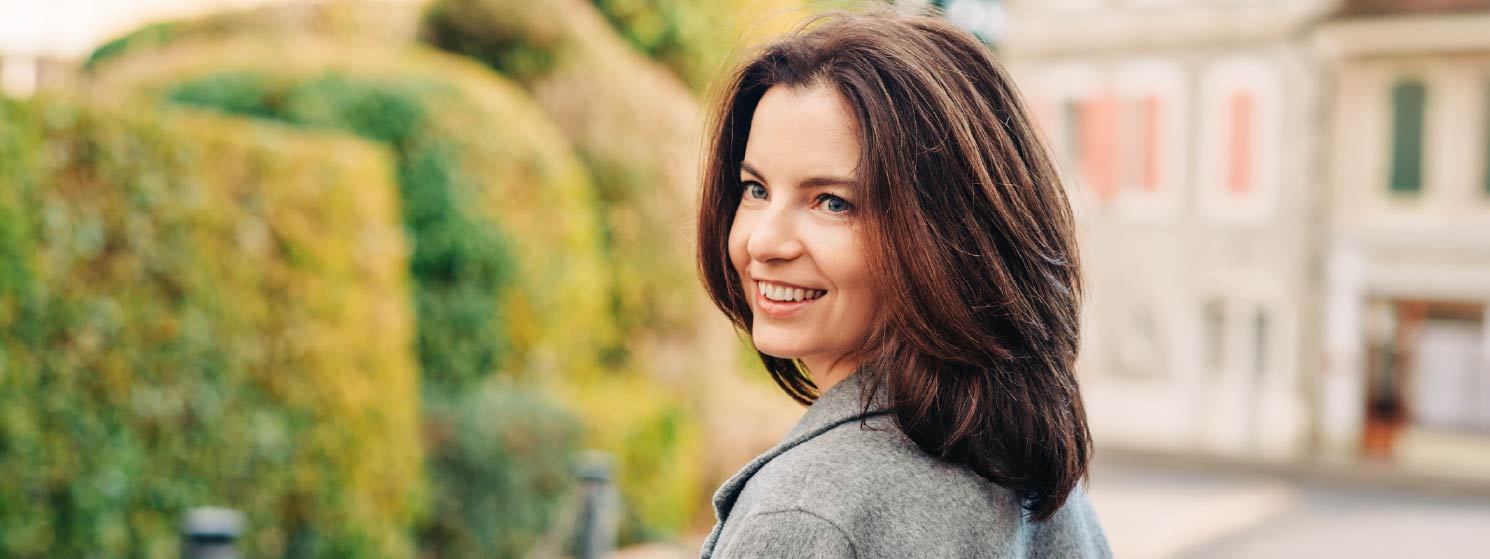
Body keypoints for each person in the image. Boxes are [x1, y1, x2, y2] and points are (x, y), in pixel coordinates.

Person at [693, 5, 1113, 558]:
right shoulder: (1028, 475)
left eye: (833, 203)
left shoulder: (806, 517)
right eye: (755, 189)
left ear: (946, 237)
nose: (764, 242)